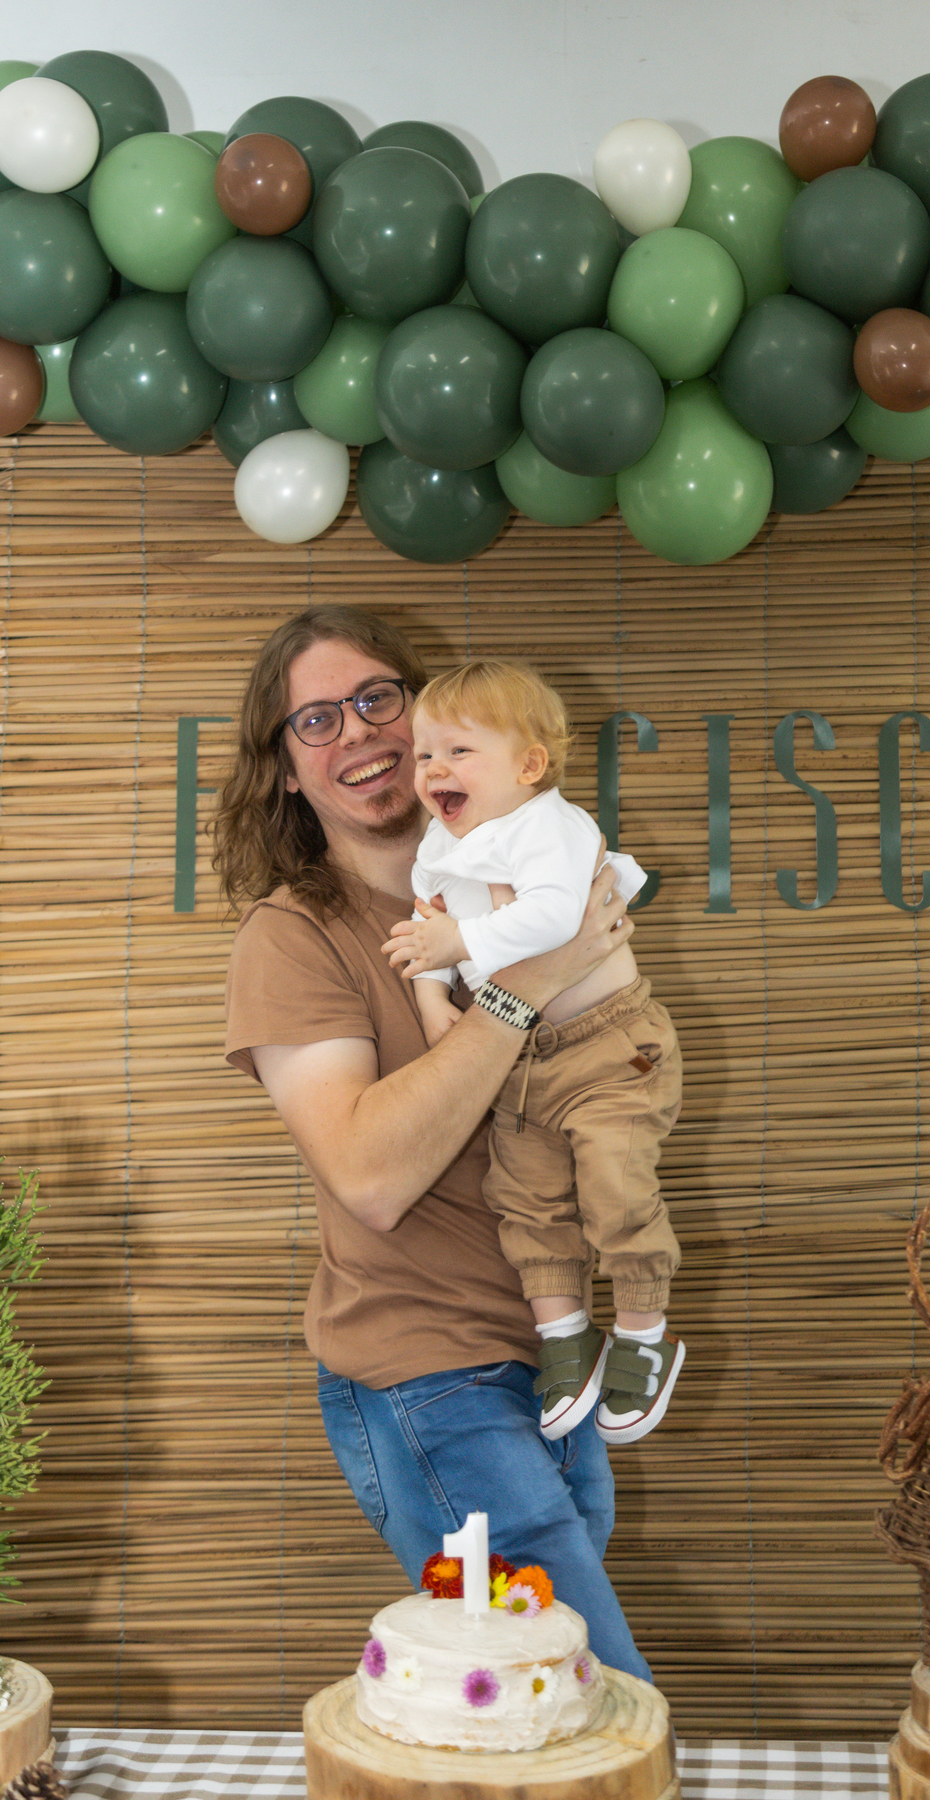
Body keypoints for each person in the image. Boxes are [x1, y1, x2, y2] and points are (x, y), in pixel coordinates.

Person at [214, 603, 651, 1681]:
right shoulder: (295, 936)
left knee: (532, 1709)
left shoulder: (517, 889)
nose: (356, 732)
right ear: (284, 771)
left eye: (376, 699)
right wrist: (526, 987)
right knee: (596, 1692)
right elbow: (369, 1175)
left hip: (551, 1353)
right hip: (425, 1374)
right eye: (314, 721)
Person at [384, 660, 684, 1448]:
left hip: (607, 1046)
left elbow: (557, 917)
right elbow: (427, 922)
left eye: (458, 752)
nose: (434, 770)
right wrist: (430, 991)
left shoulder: (549, 825)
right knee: (527, 1202)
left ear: (529, 767)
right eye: (424, 755)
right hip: (520, 1058)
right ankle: (567, 1338)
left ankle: (646, 1335)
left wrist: (461, 939)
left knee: (615, 1186)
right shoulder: (441, 842)